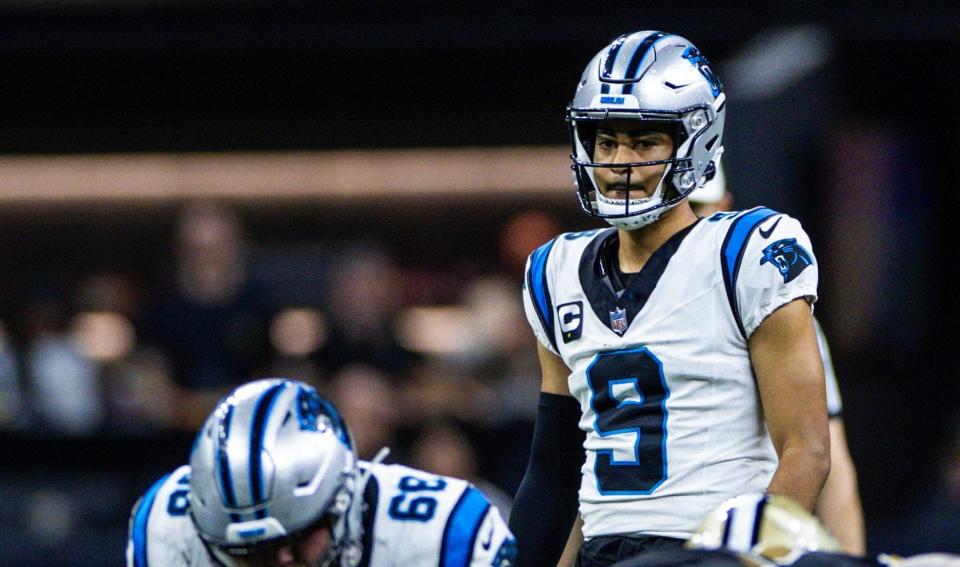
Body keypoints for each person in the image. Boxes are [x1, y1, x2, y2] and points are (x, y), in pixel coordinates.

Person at [509, 30, 830, 567]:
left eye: (643, 142)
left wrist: (749, 560)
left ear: (693, 143)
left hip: (708, 546)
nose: (618, 163)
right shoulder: (554, 272)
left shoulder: (745, 251)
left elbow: (808, 450)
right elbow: (553, 473)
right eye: (605, 142)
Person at [125, 378, 516, 566]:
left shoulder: (442, 534)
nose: (282, 564)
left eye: (299, 541)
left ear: (345, 495)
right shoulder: (167, 529)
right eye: (253, 554)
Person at [689, 164, 866, 554]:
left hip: (739, 537)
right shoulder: (612, 307)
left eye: (699, 207)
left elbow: (826, 458)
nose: (689, 223)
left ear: (724, 205)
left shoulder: (774, 309)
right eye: (681, 207)